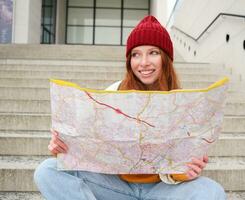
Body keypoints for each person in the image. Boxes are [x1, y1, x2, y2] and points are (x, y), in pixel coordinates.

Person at [34, 15, 226, 200]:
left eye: (153, 52)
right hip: (114, 187)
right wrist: (63, 146)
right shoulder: (112, 94)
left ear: (165, 58)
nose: (144, 63)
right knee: (46, 170)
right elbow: (88, 147)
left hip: (162, 189)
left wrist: (185, 173)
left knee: (211, 191)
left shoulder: (184, 103)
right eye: (136, 54)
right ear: (129, 61)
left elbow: (180, 167)